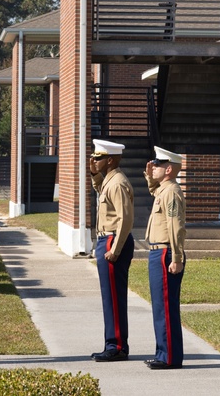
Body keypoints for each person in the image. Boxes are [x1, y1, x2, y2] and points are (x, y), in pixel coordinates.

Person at [88, 138, 135, 362]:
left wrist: (115, 250)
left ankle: (116, 346)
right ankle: (114, 343)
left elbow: (125, 219)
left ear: (110, 160)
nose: (94, 161)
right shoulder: (109, 180)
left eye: (98, 158)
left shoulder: (117, 183)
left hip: (113, 241)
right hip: (107, 240)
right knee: (110, 297)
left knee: (114, 297)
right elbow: (101, 192)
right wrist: (95, 175)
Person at [143, 146, 187, 370]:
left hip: (166, 253)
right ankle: (163, 353)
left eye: (158, 165)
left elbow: (175, 225)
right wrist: (150, 176)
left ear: (168, 169)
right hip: (159, 251)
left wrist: (176, 257)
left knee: (166, 307)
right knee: (160, 306)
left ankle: (169, 357)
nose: (154, 167)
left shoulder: (171, 192)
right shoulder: (163, 189)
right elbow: (154, 191)